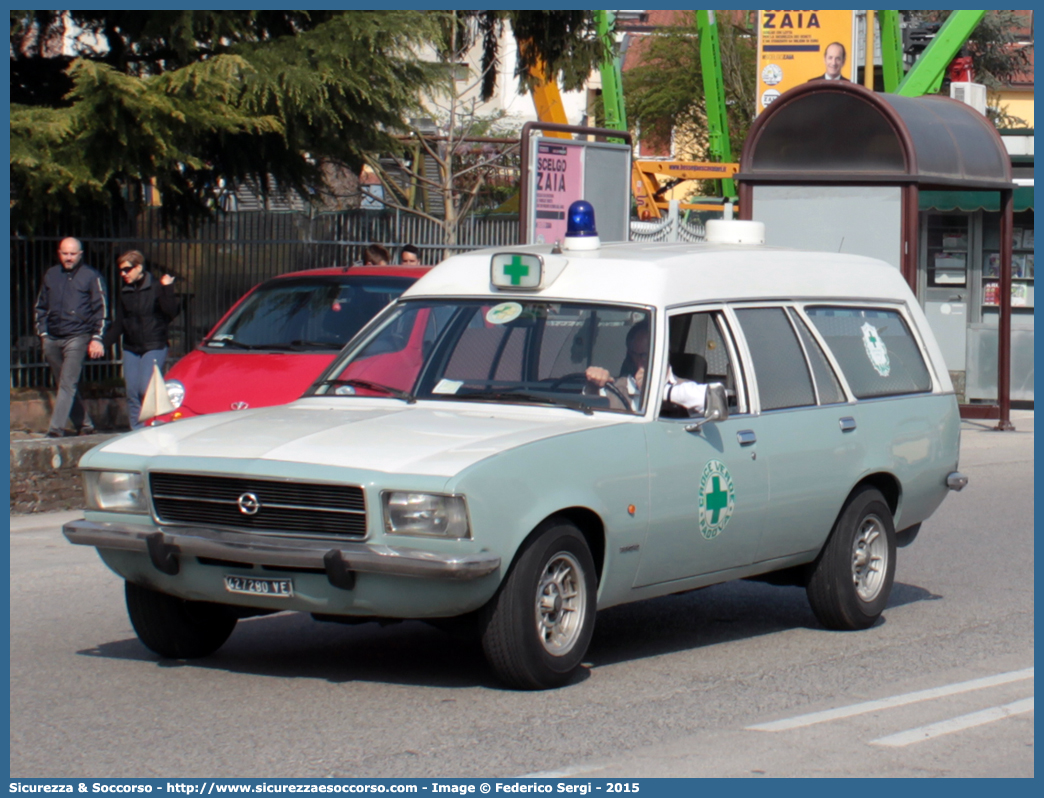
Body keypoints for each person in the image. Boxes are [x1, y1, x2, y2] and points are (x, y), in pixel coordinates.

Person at [34, 237, 108, 437]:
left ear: (80, 254)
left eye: (72, 254)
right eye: (65, 253)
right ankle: (85, 425)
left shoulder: (91, 276)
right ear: (59, 253)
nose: (68, 258)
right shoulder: (51, 274)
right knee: (64, 384)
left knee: (67, 383)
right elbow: (41, 305)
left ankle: (55, 429)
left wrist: (96, 337)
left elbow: (100, 309)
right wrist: (43, 332)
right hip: (52, 336)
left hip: (78, 336)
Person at [103, 250, 180, 430]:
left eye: (127, 270)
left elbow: (171, 312)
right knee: (131, 392)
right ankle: (136, 431)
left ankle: (155, 425)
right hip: (132, 346)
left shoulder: (156, 287)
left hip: (154, 344)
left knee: (145, 389)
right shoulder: (125, 291)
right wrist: (103, 343)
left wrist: (168, 288)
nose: (123, 274)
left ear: (139, 267)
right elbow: (120, 323)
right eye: (121, 271)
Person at [584, 320, 707, 414]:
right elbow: (589, 415)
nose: (640, 362)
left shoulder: (686, 389)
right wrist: (593, 386)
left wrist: (652, 388)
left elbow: (713, 400)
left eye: (646, 355)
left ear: (664, 353)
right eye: (635, 355)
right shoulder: (616, 390)